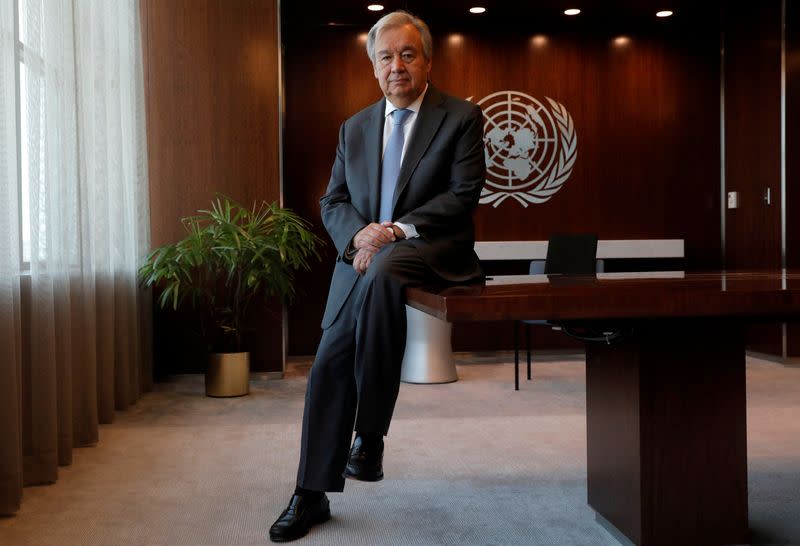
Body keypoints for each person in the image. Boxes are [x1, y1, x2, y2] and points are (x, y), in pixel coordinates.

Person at [269, 10, 486, 542]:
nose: (397, 66)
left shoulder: (459, 118)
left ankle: (369, 434)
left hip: (429, 249)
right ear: (373, 66)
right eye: (385, 56)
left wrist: (391, 233)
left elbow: (461, 196)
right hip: (363, 261)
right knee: (328, 362)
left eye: (407, 54)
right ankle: (310, 492)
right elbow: (333, 199)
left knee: (387, 266)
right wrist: (359, 236)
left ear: (427, 60)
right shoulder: (355, 127)